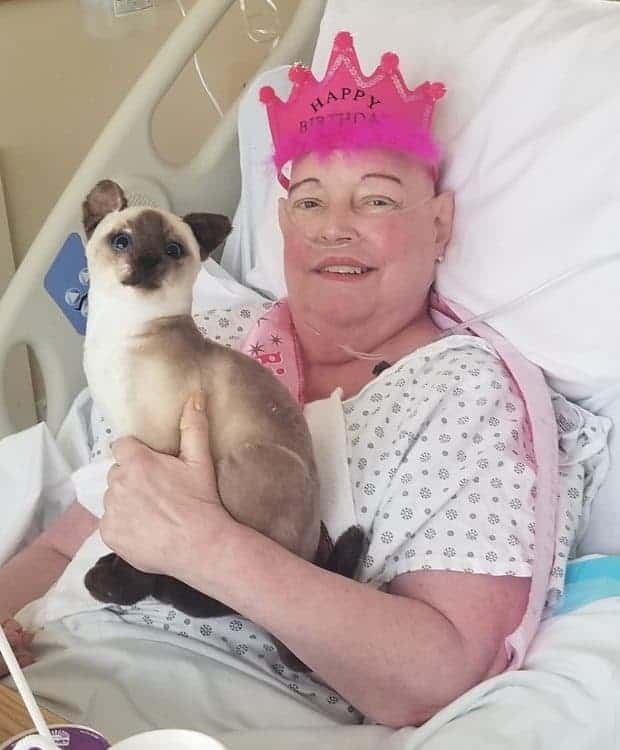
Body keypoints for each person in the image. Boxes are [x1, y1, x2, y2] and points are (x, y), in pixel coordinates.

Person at [0, 32, 596, 732]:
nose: (333, 229)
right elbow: (66, 545)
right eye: (309, 203)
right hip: (46, 680)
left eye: (375, 202)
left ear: (439, 225)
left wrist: (206, 547)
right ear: (282, 221)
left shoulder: (464, 393)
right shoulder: (203, 335)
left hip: (235, 715)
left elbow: (438, 673)